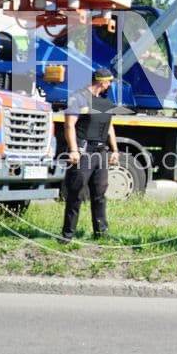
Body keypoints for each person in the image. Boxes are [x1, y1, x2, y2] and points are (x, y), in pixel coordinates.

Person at [61, 67, 119, 242]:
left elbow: (109, 127)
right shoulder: (78, 98)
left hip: (101, 153)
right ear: (102, 82)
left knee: (100, 193)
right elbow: (69, 124)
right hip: (83, 153)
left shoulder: (104, 102)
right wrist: (73, 149)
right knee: (76, 194)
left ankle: (101, 233)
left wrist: (114, 150)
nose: (110, 85)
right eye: (109, 82)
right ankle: (67, 234)